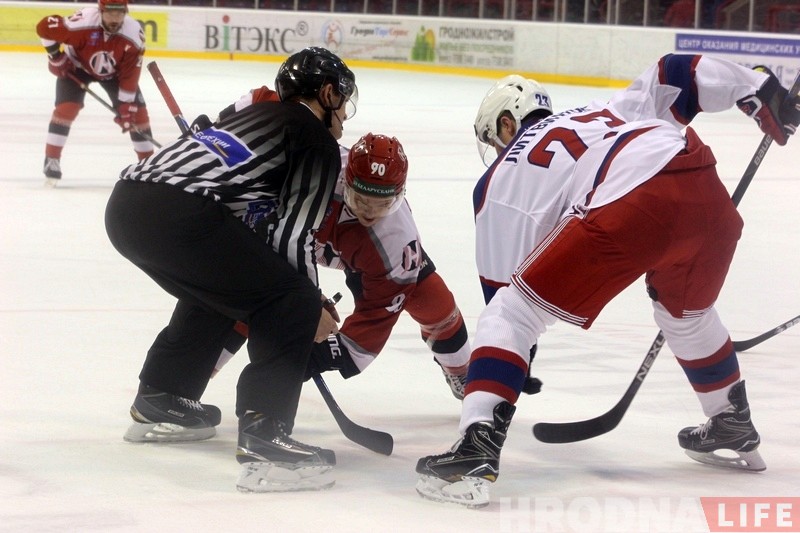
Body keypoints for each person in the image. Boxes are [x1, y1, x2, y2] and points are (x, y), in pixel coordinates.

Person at [415, 54, 800, 507]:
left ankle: (475, 448)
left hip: (634, 205)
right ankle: (730, 420)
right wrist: (753, 88)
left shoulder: (495, 181)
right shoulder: (601, 110)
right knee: (686, 313)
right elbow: (675, 71)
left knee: (510, 313)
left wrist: (507, 370)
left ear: (504, 125)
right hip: (703, 189)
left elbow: (506, 300)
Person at [104, 47, 357, 493]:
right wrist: (310, 305)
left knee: (222, 289)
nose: (344, 112)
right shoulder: (315, 139)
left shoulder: (254, 116)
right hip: (179, 212)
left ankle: (162, 396)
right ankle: (265, 436)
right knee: (290, 296)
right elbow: (294, 237)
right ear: (327, 92)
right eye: (343, 97)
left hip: (126, 204)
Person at [213, 131, 472, 398]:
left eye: (383, 204)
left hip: (362, 257)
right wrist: (305, 300)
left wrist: (320, 356)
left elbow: (375, 320)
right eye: (361, 199)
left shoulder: (396, 241)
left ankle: (464, 374)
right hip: (288, 239)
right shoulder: (315, 173)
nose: (369, 212)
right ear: (345, 181)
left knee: (434, 303)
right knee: (251, 298)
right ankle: (194, 373)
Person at [35, 0, 155, 187]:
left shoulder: (133, 35)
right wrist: (56, 57)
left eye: (120, 13)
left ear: (126, 11)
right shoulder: (82, 24)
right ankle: (52, 160)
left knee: (137, 116)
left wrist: (125, 105)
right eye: (110, 13)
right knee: (66, 109)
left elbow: (130, 74)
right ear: (100, 11)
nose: (115, 18)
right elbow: (44, 27)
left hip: (115, 74)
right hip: (76, 67)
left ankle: (149, 166)